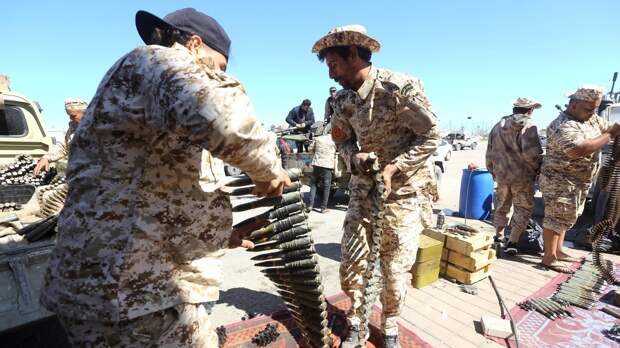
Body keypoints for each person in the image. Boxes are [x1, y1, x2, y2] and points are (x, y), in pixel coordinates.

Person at [40, 8, 290, 347]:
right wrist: (271, 171)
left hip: (117, 290)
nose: (217, 74)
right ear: (195, 45)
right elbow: (225, 121)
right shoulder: (156, 60)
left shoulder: (141, 84)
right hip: (133, 296)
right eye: (219, 66)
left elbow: (148, 193)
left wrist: (219, 234)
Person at [312, 24, 439, 347]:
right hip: (362, 192)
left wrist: (396, 166)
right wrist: (355, 158)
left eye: (334, 65)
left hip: (402, 195)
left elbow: (430, 136)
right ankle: (356, 320)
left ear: (353, 54)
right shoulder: (340, 101)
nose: (331, 75)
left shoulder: (398, 89)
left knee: (394, 268)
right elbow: (342, 141)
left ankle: (391, 324)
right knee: (353, 260)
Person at [540, 86, 620, 273]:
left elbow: (606, 127)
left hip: (578, 181)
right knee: (555, 218)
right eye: (588, 109)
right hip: (559, 181)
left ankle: (558, 251)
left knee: (567, 217)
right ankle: (548, 258)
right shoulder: (562, 125)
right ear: (574, 105)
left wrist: (612, 130)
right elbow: (578, 149)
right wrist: (610, 135)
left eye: (594, 109)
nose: (592, 113)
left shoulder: (590, 117)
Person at [486, 97, 543, 255]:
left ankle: (497, 237)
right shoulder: (529, 126)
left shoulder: (498, 126)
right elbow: (532, 155)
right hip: (522, 177)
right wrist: (538, 169)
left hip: (502, 175)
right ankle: (513, 242)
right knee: (522, 208)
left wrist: (492, 171)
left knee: (502, 206)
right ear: (530, 110)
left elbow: (489, 152)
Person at [33, 98, 88, 175]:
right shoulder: (73, 129)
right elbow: (63, 147)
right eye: (69, 115)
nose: (70, 118)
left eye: (73, 115)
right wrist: (46, 158)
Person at [306, 127, 337, 213]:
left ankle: (310, 206)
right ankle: (323, 208)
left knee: (313, 184)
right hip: (327, 166)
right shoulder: (335, 140)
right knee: (327, 186)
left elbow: (310, 149)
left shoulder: (318, 138)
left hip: (317, 164)